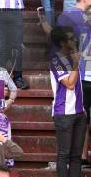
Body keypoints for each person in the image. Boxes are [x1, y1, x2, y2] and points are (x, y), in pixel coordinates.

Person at [49, 26, 86, 177]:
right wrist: (77, 64)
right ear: (63, 43)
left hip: (79, 112)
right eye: (71, 38)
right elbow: (70, 84)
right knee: (64, 154)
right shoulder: (56, 60)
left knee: (77, 156)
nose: (74, 41)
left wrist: (82, 107)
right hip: (63, 113)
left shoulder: (73, 57)